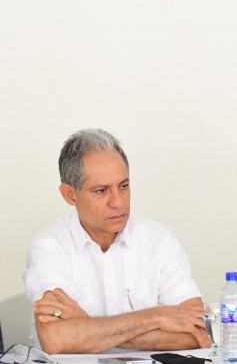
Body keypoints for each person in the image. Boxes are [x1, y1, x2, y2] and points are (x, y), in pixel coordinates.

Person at [24, 129, 210, 354]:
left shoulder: (159, 240)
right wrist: (156, 317)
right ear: (70, 195)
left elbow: (199, 333)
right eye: (101, 191)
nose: (118, 202)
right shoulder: (48, 247)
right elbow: (58, 340)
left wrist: (86, 326)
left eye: (124, 186)